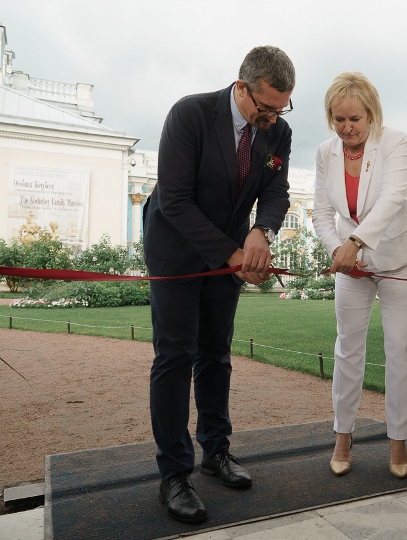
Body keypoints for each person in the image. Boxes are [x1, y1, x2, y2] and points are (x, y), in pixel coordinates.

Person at [142, 46, 295, 523]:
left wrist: (260, 232)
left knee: (216, 352)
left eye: (281, 107)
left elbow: (275, 190)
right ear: (242, 86)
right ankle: (174, 473)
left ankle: (216, 452)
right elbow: (175, 199)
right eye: (265, 107)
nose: (272, 117)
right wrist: (234, 255)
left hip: (230, 248)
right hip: (175, 247)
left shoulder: (279, 131)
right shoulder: (190, 114)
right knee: (175, 354)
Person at [311, 72, 407, 479]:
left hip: (400, 262)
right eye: (338, 120)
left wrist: (356, 242)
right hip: (352, 266)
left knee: (398, 350)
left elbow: (394, 197)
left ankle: (398, 444)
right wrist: (338, 250)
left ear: (372, 114)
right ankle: (343, 438)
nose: (346, 129)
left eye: (355, 119)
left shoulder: (395, 141)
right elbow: (322, 213)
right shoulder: (325, 152)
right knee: (347, 350)